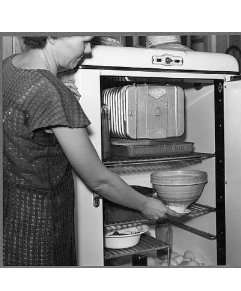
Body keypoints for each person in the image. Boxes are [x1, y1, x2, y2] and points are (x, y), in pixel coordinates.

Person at [2, 36, 172, 266]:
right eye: (85, 40)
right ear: (53, 35)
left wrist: (58, 90)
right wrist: (145, 204)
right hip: (42, 223)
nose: (89, 49)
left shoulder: (9, 65)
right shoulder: (51, 93)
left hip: (11, 215)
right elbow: (100, 181)